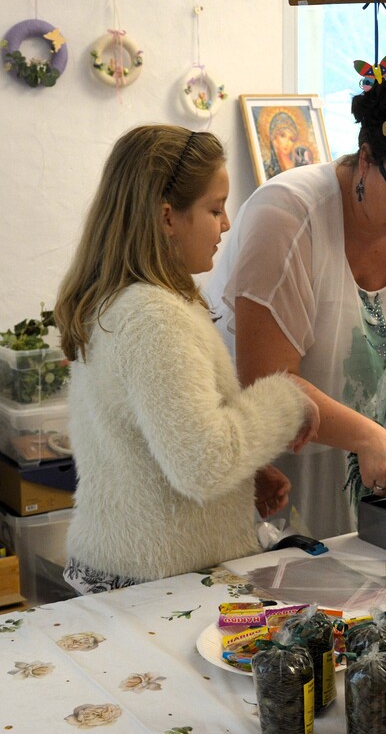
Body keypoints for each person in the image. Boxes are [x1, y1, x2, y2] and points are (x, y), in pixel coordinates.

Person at [209, 67, 386, 539]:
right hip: (287, 490)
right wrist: (368, 436)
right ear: (367, 159)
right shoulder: (288, 218)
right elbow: (268, 379)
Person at [54, 125, 318, 592]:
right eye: (214, 209)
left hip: (136, 566)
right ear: (167, 218)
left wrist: (243, 475)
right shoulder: (154, 318)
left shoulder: (125, 302)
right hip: (152, 582)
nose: (226, 224)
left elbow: (158, 441)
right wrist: (288, 399)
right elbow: (203, 463)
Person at [265, 110, 314, 179]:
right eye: (282, 136)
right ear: (274, 138)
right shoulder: (268, 171)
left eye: (291, 139)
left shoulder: (299, 166)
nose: (287, 142)